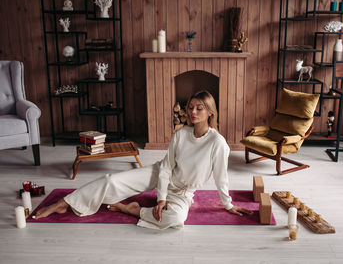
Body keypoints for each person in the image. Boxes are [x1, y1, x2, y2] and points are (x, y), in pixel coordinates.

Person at [33, 91, 252, 229]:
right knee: (111, 180)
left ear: (210, 112)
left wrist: (228, 204)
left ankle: (132, 209)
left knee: (175, 220)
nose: (193, 111)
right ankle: (64, 203)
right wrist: (160, 199)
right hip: (160, 175)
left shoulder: (218, 143)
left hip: (184, 190)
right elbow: (166, 168)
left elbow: (221, 177)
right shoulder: (181, 134)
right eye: (190, 107)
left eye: (199, 108)